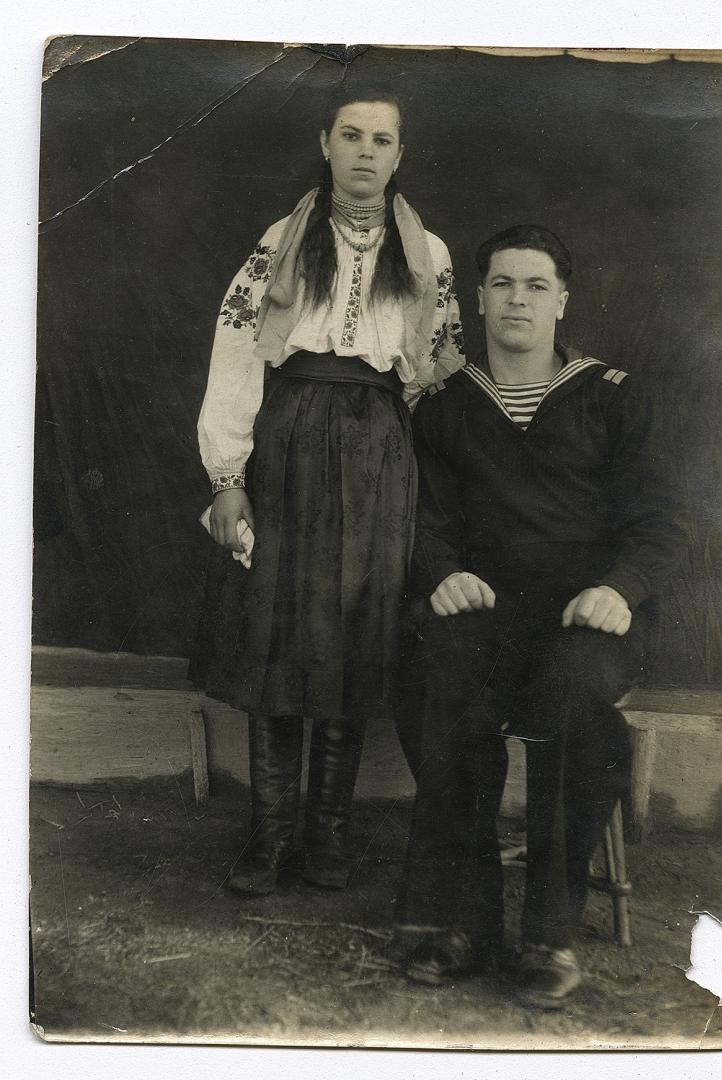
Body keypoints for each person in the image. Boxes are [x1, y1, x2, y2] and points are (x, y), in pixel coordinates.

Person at [391, 224, 689, 1008]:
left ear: (563, 298)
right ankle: (464, 919)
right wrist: (443, 572)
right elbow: (425, 519)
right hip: (487, 614)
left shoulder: (612, 397)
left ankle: (549, 933)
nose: (516, 299)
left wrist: (621, 588)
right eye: (500, 284)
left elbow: (661, 522)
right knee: (437, 671)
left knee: (573, 698)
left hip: (585, 618)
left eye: (534, 285)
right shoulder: (446, 408)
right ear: (478, 298)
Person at [188, 85, 464, 898]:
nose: (366, 152)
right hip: (290, 441)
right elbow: (236, 349)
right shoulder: (283, 240)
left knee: (353, 630)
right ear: (326, 144)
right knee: (276, 629)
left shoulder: (429, 255)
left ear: (400, 155)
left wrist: (400, 460)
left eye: (383, 139)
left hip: (379, 451)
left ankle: (327, 836)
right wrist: (229, 478)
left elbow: (437, 373)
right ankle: (270, 835)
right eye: (352, 135)